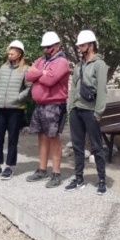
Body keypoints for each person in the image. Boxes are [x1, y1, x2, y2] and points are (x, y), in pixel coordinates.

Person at [65, 30, 108, 195]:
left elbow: (102, 91)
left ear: (91, 45)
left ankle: (102, 180)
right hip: (76, 110)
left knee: (97, 146)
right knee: (77, 146)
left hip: (91, 111)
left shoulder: (100, 64)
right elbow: (73, 88)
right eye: (79, 45)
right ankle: (78, 178)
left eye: (82, 45)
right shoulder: (78, 65)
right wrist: (70, 108)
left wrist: (98, 113)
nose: (79, 48)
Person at [25, 32, 70, 188]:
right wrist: (41, 73)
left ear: (57, 46)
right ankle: (42, 169)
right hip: (40, 105)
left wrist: (37, 73)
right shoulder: (41, 61)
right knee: (42, 137)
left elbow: (51, 80)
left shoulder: (62, 62)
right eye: (44, 47)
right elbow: (27, 75)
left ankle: (56, 173)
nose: (45, 49)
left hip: (54, 105)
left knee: (53, 138)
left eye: (48, 47)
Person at [0, 40, 31, 181]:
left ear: (19, 54)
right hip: (1, 107)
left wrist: (18, 99)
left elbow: (29, 88)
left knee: (13, 139)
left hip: (15, 109)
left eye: (12, 52)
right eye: (9, 52)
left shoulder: (26, 69)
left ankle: (9, 167)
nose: (9, 54)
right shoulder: (3, 68)